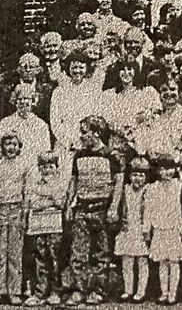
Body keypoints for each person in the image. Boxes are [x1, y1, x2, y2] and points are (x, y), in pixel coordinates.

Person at [66, 115, 124, 306]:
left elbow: (118, 183)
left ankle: (98, 290)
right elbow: (74, 181)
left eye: (85, 132)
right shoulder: (79, 155)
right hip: (82, 207)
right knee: (78, 250)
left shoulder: (111, 155)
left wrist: (114, 207)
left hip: (102, 207)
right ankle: (79, 289)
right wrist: (69, 205)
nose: (82, 136)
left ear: (97, 133)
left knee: (101, 251)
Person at [0, 133, 28, 306]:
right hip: (1, 210)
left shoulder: (24, 166)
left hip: (17, 210)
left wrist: (24, 214)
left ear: (19, 147)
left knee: (15, 253)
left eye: (14, 144)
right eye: (7, 144)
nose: (11, 147)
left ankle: (14, 291)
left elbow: (27, 192)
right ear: (2, 147)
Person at [26, 152, 69, 306]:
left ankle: (55, 291)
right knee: (40, 259)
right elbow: (33, 203)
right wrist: (49, 199)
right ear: (39, 168)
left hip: (55, 226)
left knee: (55, 258)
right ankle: (40, 292)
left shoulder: (61, 183)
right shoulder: (34, 184)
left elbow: (60, 202)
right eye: (44, 167)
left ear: (56, 168)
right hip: (38, 227)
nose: (48, 170)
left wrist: (46, 198)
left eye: (51, 166)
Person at [146, 156, 182, 304]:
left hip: (175, 227)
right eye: (163, 169)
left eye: (170, 168)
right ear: (157, 170)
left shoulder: (179, 185)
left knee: (174, 261)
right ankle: (164, 292)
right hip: (159, 228)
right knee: (162, 262)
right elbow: (149, 210)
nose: (167, 172)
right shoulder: (152, 188)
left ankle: (173, 293)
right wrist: (148, 228)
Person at [115, 156, 151, 302]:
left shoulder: (148, 191)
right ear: (130, 176)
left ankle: (141, 291)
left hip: (141, 228)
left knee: (142, 261)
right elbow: (119, 207)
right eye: (135, 175)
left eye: (141, 175)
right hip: (127, 228)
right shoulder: (125, 190)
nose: (137, 179)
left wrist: (147, 229)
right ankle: (127, 289)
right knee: (127, 260)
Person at [0, 83, 53, 171]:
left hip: (34, 167)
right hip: (11, 167)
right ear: (15, 102)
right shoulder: (6, 122)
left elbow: (45, 151)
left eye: (26, 98)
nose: (23, 102)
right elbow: (0, 148)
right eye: (19, 99)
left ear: (33, 101)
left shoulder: (41, 124)